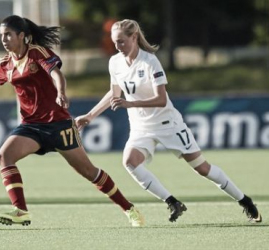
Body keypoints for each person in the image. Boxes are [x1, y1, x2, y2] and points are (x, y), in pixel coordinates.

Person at [75, 19, 262, 223]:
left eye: (121, 41)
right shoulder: (115, 63)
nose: (118, 47)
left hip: (168, 125)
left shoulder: (150, 61)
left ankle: (246, 202)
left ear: (134, 37)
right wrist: (90, 115)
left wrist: (131, 104)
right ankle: (172, 202)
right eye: (115, 42)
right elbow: (114, 93)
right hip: (141, 127)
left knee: (202, 168)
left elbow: (161, 99)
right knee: (130, 162)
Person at [0, 15, 144, 227]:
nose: (4, 39)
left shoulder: (37, 53)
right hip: (31, 127)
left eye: (8, 35)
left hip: (58, 125)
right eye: (1, 35)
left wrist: (61, 92)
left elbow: (57, 74)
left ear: (21, 36)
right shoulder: (5, 63)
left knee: (89, 172)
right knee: (4, 156)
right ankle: (20, 211)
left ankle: (129, 208)